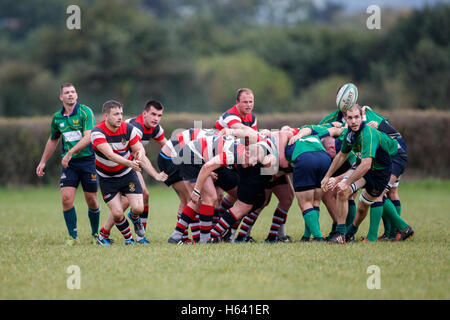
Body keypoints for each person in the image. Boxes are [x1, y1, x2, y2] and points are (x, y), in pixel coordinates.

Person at [321, 104, 414, 244]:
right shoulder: (349, 134)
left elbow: (365, 165)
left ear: (361, 117)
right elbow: (341, 155)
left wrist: (345, 181)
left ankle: (384, 234)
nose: (353, 121)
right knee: (345, 193)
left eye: (357, 117)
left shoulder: (368, 133)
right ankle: (341, 234)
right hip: (368, 167)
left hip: (381, 170)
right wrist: (328, 176)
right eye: (350, 118)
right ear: (345, 119)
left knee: (370, 200)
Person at [36, 83, 100, 246]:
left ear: (76, 95)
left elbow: (88, 137)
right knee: (66, 198)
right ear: (61, 97)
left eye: (73, 92)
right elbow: (53, 140)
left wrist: (71, 152)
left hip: (88, 161)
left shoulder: (85, 112)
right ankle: (73, 237)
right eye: (67, 92)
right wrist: (43, 162)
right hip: (69, 164)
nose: (70, 94)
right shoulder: (58, 117)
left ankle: (95, 235)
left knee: (91, 200)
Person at [91, 100, 146, 246]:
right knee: (117, 213)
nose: (120, 117)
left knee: (138, 208)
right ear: (106, 116)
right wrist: (130, 163)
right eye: (115, 114)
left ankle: (134, 218)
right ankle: (129, 239)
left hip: (127, 175)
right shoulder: (97, 132)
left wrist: (139, 155)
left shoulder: (128, 129)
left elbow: (139, 148)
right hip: (107, 178)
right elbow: (110, 155)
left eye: (121, 113)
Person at [168, 134, 240, 243]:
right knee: (210, 197)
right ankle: (204, 239)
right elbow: (206, 166)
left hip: (190, 155)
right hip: (191, 156)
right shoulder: (233, 153)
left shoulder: (238, 146)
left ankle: (176, 235)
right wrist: (196, 190)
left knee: (201, 200)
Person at [122, 100, 168, 244]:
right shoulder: (136, 127)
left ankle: (140, 237)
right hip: (117, 162)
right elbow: (140, 156)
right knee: (123, 203)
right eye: (153, 114)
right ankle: (103, 234)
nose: (156, 118)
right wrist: (155, 174)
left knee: (144, 196)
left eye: (159, 115)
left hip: (130, 163)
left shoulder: (155, 128)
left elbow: (167, 147)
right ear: (144, 114)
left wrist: (185, 160)